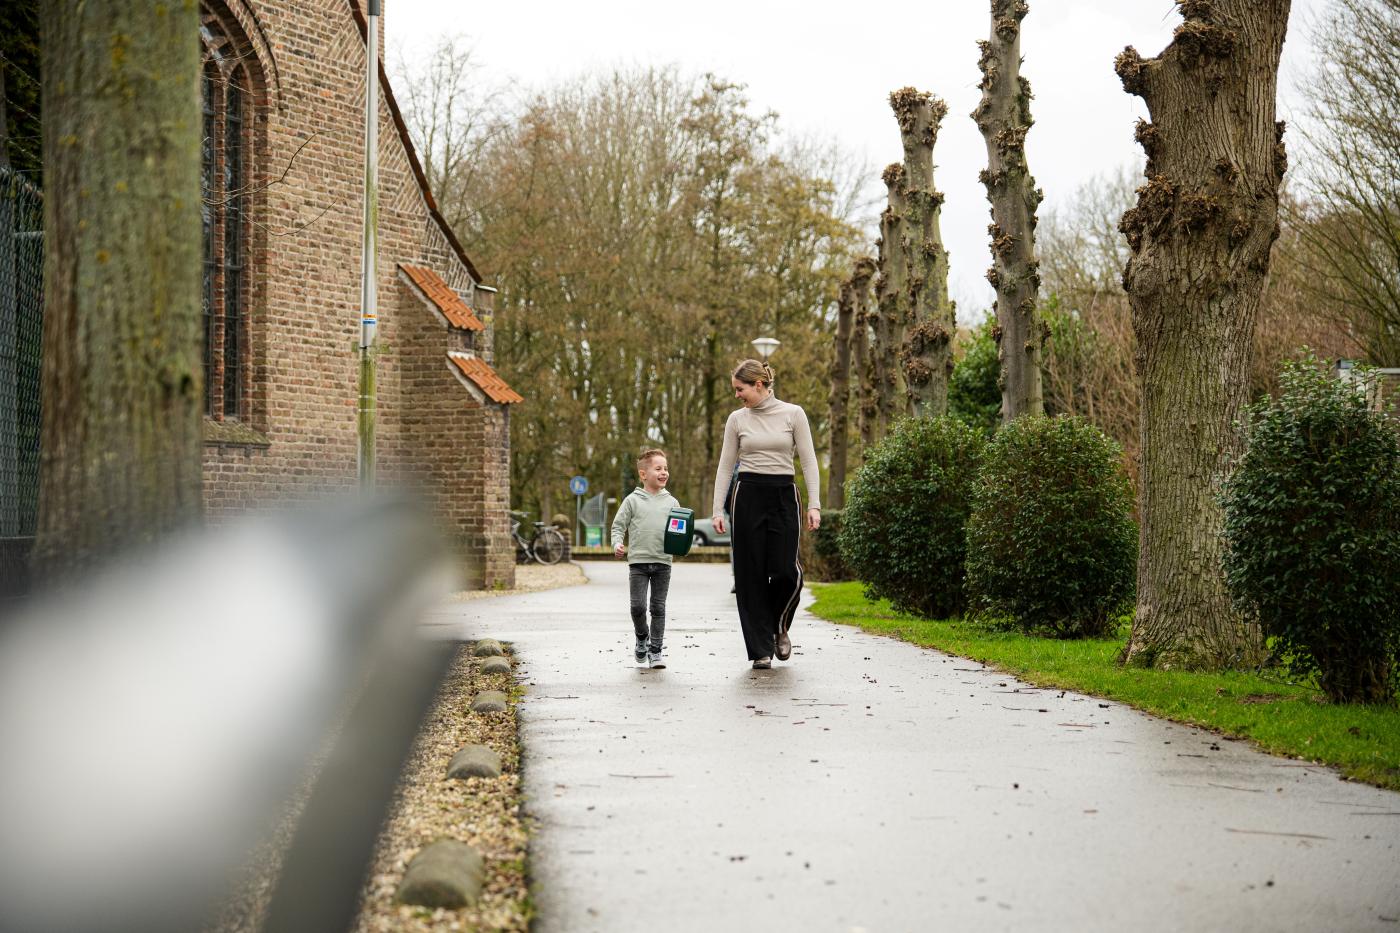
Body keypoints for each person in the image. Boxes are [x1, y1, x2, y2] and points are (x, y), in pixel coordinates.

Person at [711, 360, 821, 669]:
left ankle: (778, 625)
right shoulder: (736, 420)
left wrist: (815, 504)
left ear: (759, 385)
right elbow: (725, 465)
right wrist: (717, 508)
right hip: (747, 495)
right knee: (750, 576)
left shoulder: (793, 414)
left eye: (740, 389)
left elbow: (809, 462)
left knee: (788, 572)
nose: (737, 395)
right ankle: (760, 650)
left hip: (784, 494)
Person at [611, 449, 678, 669]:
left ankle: (656, 651)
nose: (664, 472)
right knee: (637, 607)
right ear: (643, 475)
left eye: (665, 468)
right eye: (658, 468)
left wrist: (681, 542)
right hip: (638, 562)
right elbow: (618, 526)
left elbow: (679, 530)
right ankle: (642, 637)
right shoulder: (632, 501)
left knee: (658, 608)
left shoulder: (673, 503)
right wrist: (617, 544)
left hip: (663, 562)